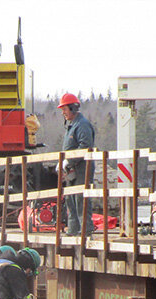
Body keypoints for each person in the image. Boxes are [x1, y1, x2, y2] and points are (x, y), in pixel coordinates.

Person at [58, 92, 96, 236]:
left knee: (81, 198)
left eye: (65, 110)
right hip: (71, 168)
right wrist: (63, 162)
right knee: (70, 198)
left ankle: (85, 230)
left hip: (82, 168)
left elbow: (85, 146)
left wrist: (70, 160)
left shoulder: (82, 125)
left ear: (73, 108)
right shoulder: (72, 126)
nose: (64, 113)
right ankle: (73, 230)